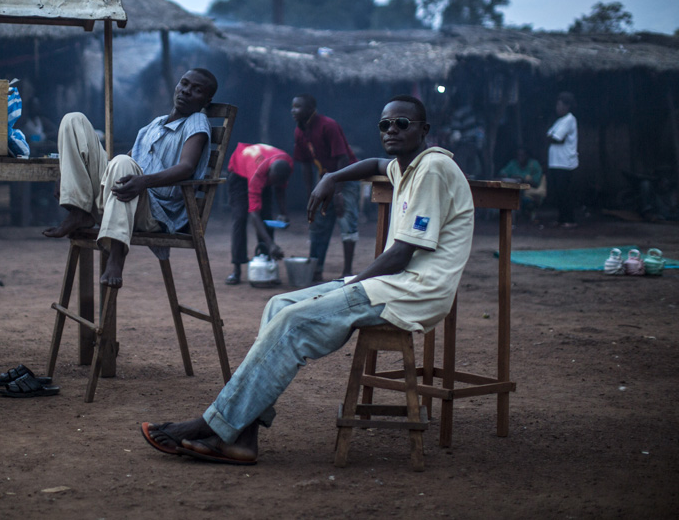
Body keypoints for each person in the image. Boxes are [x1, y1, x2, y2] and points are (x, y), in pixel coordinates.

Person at [140, 95, 474, 466]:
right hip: (392, 283)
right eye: (385, 125)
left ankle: (212, 423)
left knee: (292, 321)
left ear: (424, 130)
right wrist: (332, 175)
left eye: (402, 124)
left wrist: (352, 283)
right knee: (278, 304)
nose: (391, 130)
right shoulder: (405, 166)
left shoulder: (432, 169)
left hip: (414, 290)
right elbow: (377, 163)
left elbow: (403, 251)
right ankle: (244, 436)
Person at [42, 68, 217, 288]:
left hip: (153, 212)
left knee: (122, 164)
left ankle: (117, 255)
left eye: (197, 90)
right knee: (73, 120)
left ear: (206, 100)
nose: (187, 91)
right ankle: (79, 212)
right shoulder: (155, 124)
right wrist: (71, 172)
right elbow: (130, 159)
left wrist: (144, 181)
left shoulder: (196, 122)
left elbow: (186, 167)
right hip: (120, 196)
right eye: (184, 84)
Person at [291, 94, 360, 281]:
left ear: (310, 109)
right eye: (293, 107)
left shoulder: (328, 125)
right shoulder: (300, 131)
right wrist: (310, 194)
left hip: (347, 176)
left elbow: (343, 159)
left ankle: (347, 271)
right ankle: (316, 268)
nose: (293, 111)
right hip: (325, 179)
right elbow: (305, 164)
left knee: (346, 220)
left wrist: (338, 193)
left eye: (298, 107)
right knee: (318, 224)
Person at [225, 143, 293, 285]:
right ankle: (236, 269)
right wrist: (271, 243)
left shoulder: (286, 164)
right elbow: (254, 214)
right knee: (240, 218)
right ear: (268, 175)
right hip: (239, 173)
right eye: (272, 181)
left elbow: (280, 189)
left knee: (267, 218)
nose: (274, 184)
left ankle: (268, 267)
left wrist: (284, 213)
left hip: (262, 170)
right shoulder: (257, 174)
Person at [546, 92, 579, 228]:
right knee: (558, 192)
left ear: (567, 106)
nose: (557, 107)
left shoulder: (570, 119)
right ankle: (561, 218)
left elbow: (556, 138)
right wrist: (551, 137)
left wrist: (552, 137)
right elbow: (549, 135)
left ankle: (569, 219)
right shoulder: (560, 120)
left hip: (565, 162)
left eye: (560, 105)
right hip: (556, 162)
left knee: (565, 192)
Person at [499, 147, 545, 221]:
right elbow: (502, 173)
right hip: (512, 192)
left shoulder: (534, 164)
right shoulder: (513, 163)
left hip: (530, 193)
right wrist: (509, 176)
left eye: (522, 155)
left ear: (527, 156)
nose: (520, 157)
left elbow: (536, 183)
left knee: (523, 199)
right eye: (518, 155)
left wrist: (523, 180)